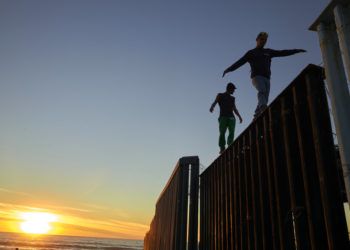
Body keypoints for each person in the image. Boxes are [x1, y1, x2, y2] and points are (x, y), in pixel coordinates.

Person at [222, 32, 306, 118]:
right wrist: (229, 69)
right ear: (257, 40)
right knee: (262, 91)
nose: (263, 41)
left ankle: (257, 115)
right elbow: (239, 62)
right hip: (256, 77)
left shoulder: (268, 51)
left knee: (265, 98)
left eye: (265, 40)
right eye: (261, 39)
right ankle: (263, 108)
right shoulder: (251, 53)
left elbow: (282, 52)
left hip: (267, 78)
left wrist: (296, 50)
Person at [210, 82, 243, 154]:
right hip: (223, 117)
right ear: (230, 89)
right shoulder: (220, 95)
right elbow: (215, 102)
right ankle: (222, 148)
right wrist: (212, 107)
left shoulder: (232, 98)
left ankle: (230, 145)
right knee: (222, 132)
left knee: (231, 132)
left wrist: (239, 117)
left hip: (231, 117)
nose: (234, 91)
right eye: (233, 90)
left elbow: (234, 109)